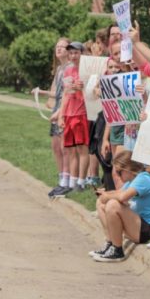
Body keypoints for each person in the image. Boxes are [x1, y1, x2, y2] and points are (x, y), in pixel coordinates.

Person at [90, 151, 150, 262]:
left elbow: (123, 197)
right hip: (142, 225)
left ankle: (117, 251)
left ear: (129, 169)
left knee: (113, 205)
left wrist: (108, 196)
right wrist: (104, 194)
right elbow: (119, 192)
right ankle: (110, 243)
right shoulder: (133, 180)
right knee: (101, 203)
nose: (118, 176)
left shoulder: (143, 178)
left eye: (120, 172)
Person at [50, 41, 91, 196]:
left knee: (82, 148)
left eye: (76, 53)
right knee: (70, 149)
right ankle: (72, 180)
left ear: (82, 53)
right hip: (69, 114)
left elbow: (93, 91)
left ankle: (81, 179)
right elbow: (66, 94)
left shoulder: (86, 71)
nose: (73, 56)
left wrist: (83, 87)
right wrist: (61, 115)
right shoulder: (68, 71)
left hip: (81, 113)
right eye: (71, 53)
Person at [40, 37, 69, 198]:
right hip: (57, 109)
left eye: (62, 47)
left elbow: (67, 94)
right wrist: (43, 93)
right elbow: (58, 93)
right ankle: (61, 179)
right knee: (56, 147)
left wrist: (60, 112)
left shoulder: (70, 69)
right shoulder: (59, 69)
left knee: (65, 148)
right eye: (57, 47)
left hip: (64, 112)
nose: (58, 49)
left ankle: (66, 182)